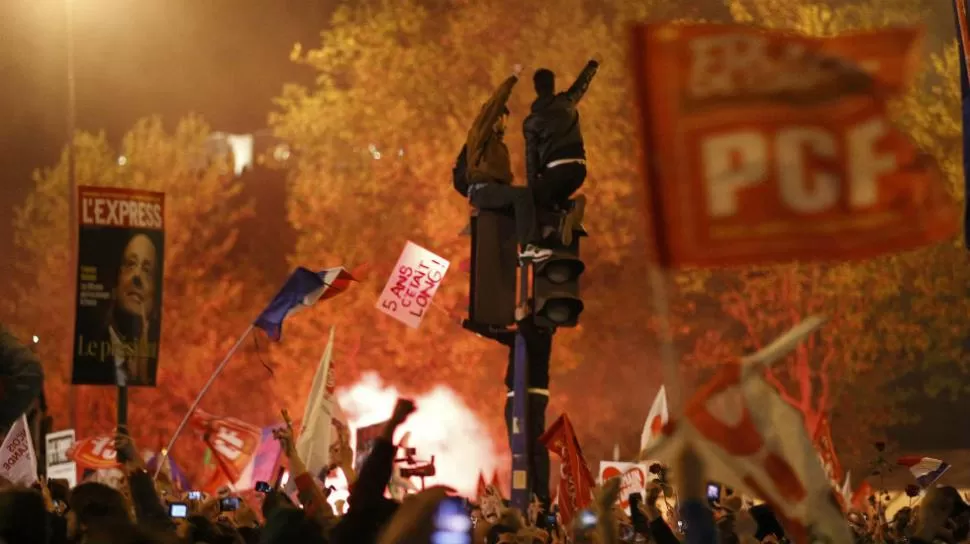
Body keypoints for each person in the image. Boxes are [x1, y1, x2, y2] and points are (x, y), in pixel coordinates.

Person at [465, 65, 551, 262]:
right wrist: (513, 77)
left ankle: (530, 244)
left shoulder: (498, 146)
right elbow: (495, 103)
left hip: (493, 190)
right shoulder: (481, 133)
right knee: (522, 196)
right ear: (497, 118)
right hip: (482, 190)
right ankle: (529, 246)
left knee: (527, 199)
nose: (505, 124)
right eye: (504, 119)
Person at [523, 55, 601, 245]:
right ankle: (570, 206)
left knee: (528, 202)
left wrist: (532, 187)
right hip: (579, 169)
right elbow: (581, 85)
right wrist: (592, 65)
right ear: (553, 85)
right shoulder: (567, 102)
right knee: (553, 199)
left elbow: (531, 158)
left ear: (536, 88)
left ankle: (555, 224)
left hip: (556, 170)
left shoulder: (532, 122)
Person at [73, 232, 161, 386]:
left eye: (147, 271)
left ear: (155, 301)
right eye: (131, 264)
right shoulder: (86, 357)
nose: (137, 276)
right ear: (116, 282)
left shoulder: (165, 370)